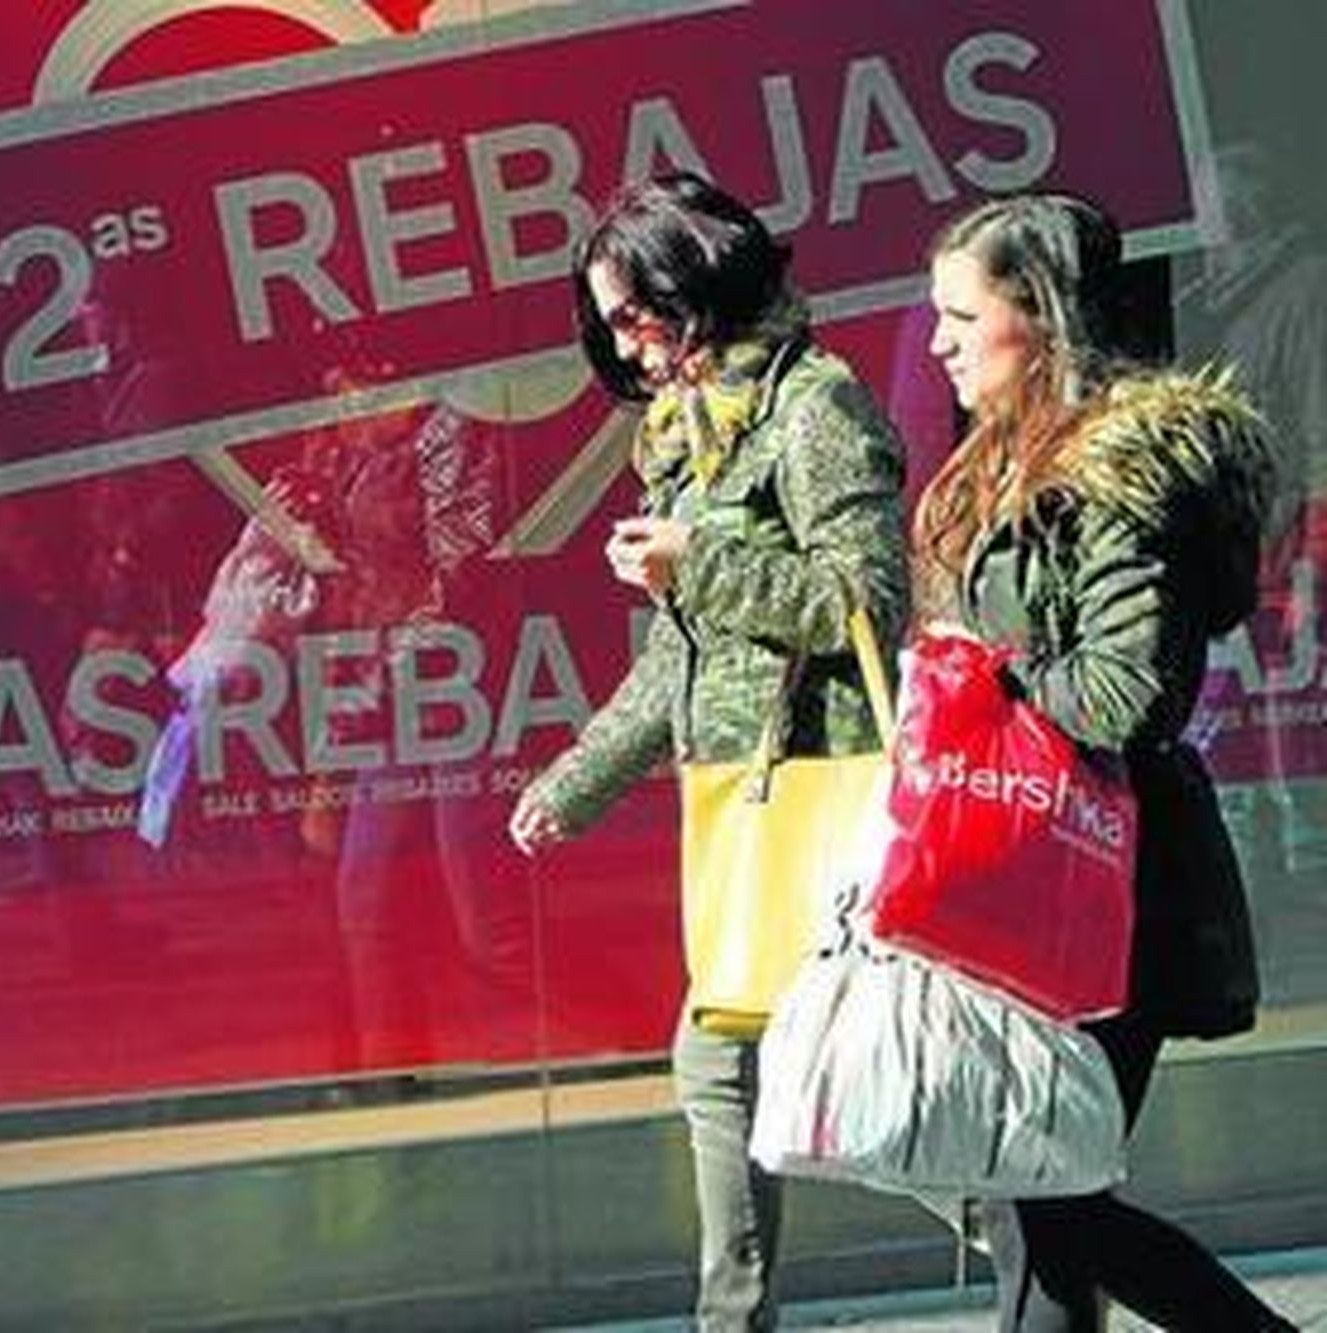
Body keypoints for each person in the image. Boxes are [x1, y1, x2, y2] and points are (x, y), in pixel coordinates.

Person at [508, 171, 909, 1330]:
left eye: (639, 314)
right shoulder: (679, 440)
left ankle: (1061, 1245)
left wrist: (702, 564)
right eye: (609, 325)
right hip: (743, 805)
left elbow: (866, 608)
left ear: (701, 287)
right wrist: (573, 783)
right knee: (725, 1065)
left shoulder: (813, 405)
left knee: (888, 1077)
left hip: (824, 795)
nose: (627, 349)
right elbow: (676, 662)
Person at [916, 192, 1297, 1332]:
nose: (935, 339)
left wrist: (981, 683)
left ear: (1040, 319)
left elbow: (1127, 692)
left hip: (1103, 878)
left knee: (1040, 1199)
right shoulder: (1005, 463)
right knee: (1040, 1202)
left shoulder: (1114, 481)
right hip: (1028, 870)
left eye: (958, 314)